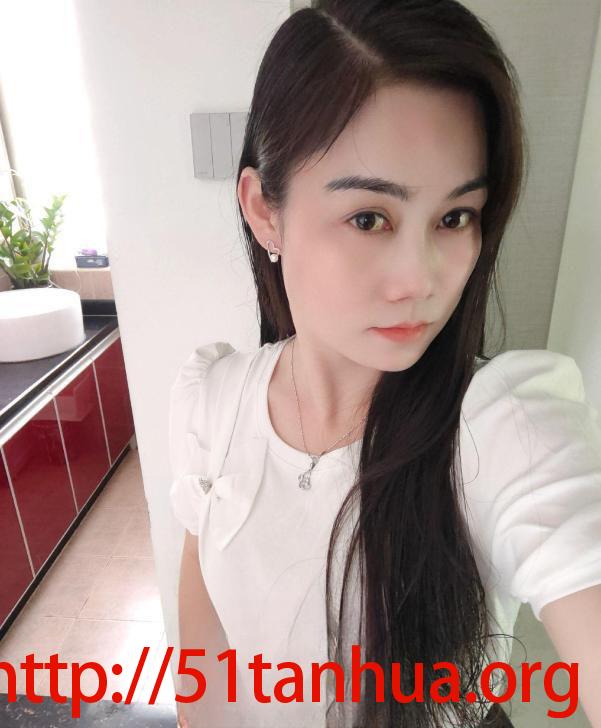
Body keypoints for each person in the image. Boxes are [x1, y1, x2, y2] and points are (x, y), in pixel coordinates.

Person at [169, 1, 601, 726]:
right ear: (265, 210)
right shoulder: (212, 403)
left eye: (454, 218)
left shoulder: (501, 426)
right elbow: (204, 631)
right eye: (369, 218)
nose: (421, 279)